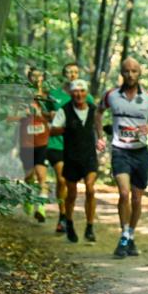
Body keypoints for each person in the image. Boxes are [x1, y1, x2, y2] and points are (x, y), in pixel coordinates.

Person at [96, 58, 148, 258]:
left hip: (140, 152)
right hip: (120, 151)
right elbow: (98, 113)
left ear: (139, 73)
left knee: (136, 198)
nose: (130, 75)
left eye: (134, 71)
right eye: (127, 71)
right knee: (124, 194)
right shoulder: (112, 96)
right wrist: (100, 136)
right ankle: (124, 235)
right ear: (121, 73)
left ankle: (131, 235)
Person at [47, 62, 94, 234]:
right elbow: (43, 117)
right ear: (64, 74)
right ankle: (62, 216)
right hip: (57, 143)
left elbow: (92, 118)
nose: (72, 75)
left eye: (75, 72)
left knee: (73, 185)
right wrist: (49, 116)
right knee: (61, 180)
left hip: (77, 147)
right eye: (69, 72)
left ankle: (68, 217)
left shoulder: (85, 96)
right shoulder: (54, 95)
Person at [16, 68, 52, 222]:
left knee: (41, 176)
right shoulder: (22, 98)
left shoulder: (47, 98)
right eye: (33, 76)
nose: (36, 78)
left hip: (42, 142)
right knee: (29, 176)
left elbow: (54, 117)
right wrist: (24, 113)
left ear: (43, 78)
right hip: (26, 143)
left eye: (39, 75)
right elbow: (9, 117)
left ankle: (41, 208)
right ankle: (28, 198)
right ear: (29, 78)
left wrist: (43, 114)